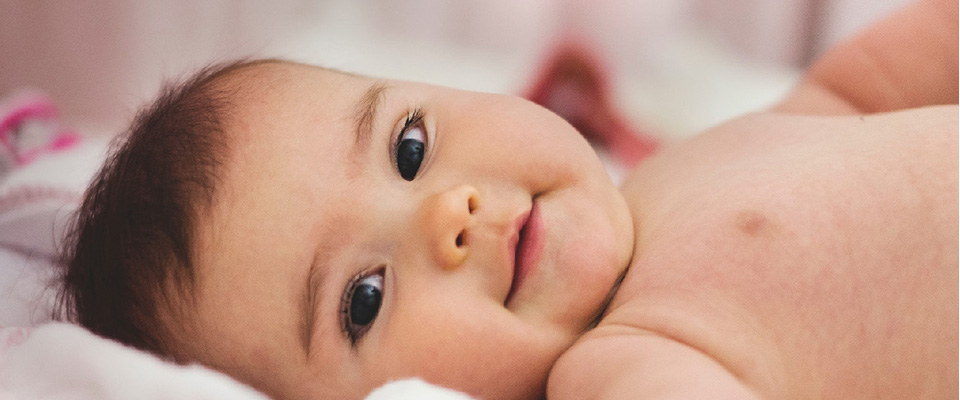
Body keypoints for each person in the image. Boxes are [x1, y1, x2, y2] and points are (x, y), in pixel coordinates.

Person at [57, 0, 957, 398]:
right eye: (362, 302)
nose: (447, 220)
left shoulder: (680, 169)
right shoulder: (619, 365)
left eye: (410, 148)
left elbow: (859, 91)